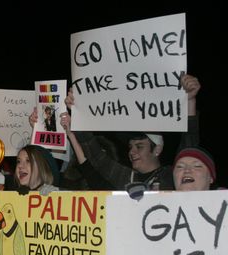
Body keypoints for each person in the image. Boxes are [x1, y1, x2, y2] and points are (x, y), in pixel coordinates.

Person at [63, 74, 201, 191]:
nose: (132, 152)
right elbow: (96, 156)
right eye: (131, 146)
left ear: (157, 149)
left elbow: (189, 147)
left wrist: (190, 100)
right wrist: (77, 112)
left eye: (139, 146)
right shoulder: (125, 177)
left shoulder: (172, 176)